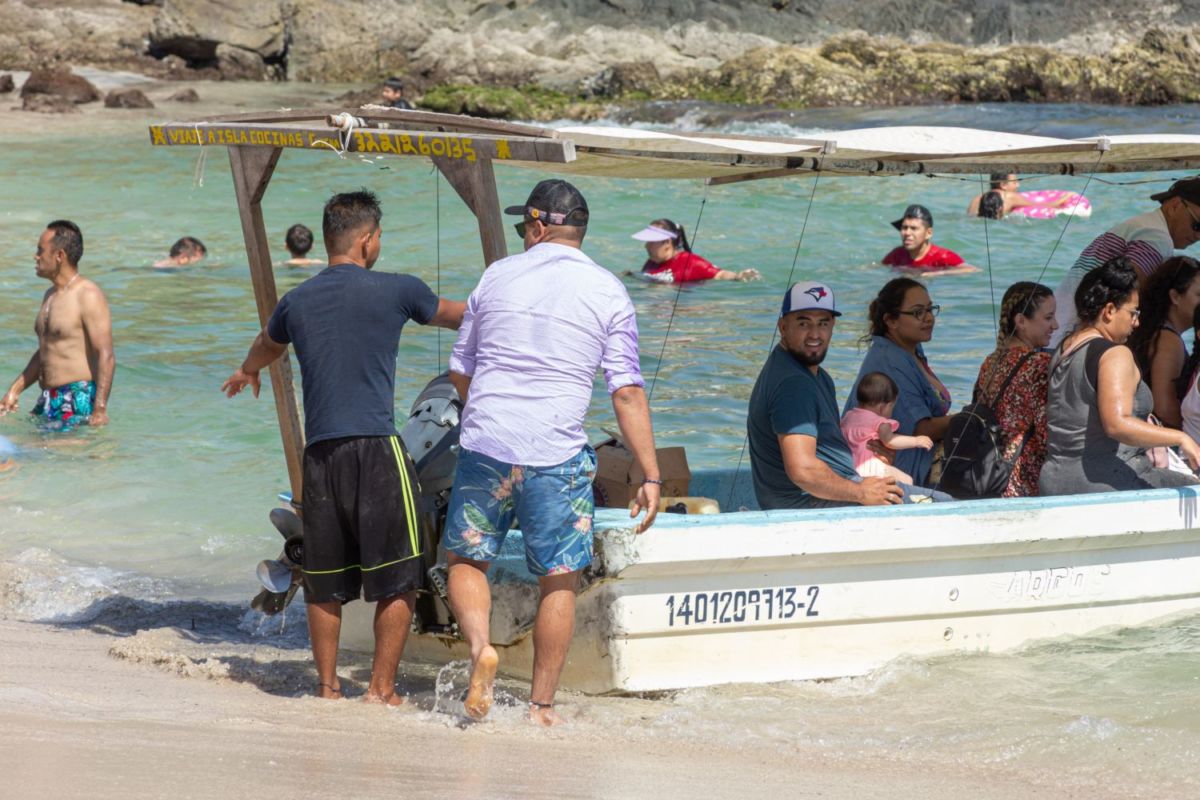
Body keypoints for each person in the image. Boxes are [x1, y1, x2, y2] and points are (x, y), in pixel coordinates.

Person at [221, 190, 465, 705]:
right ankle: (380, 690)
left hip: (321, 456)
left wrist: (247, 370)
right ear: (368, 239)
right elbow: (455, 315)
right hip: (377, 448)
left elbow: (268, 343)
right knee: (400, 576)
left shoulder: (297, 301)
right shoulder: (399, 290)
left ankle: (327, 689)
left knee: (325, 580)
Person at [443, 179, 660, 726]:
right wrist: (650, 474)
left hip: (487, 442)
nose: (523, 236)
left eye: (524, 228)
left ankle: (479, 651)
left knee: (467, 560)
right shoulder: (609, 289)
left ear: (539, 226)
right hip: (555, 453)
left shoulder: (496, 276)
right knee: (558, 579)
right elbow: (626, 390)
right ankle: (540, 707)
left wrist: (485, 414)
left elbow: (460, 370)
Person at [747, 281, 948, 510]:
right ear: (783, 327)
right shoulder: (793, 384)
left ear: (833, 325)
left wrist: (872, 457)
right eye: (804, 323)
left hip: (835, 490)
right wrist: (861, 492)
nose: (815, 334)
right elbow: (803, 470)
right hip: (808, 505)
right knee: (947, 506)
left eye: (823, 323)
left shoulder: (817, 376)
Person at [1040, 257, 1200, 496]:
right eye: (1133, 312)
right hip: (1104, 480)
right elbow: (1117, 424)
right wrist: (1182, 439)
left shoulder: (1064, 349)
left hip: (1053, 479)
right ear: (1109, 311)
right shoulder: (1115, 354)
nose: (1137, 322)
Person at [1052, 177, 1200, 345]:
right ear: (1175, 206)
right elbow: (1127, 292)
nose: (1198, 236)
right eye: (1197, 225)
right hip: (1080, 334)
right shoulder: (1157, 238)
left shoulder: (1139, 225)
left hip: (1060, 327)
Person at [1, 220, 115, 430]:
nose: (36, 256)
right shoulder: (50, 295)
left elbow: (105, 354)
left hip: (75, 398)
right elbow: (46, 351)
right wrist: (14, 391)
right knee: (24, 454)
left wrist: (99, 409)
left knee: (21, 454)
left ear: (59, 256)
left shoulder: (88, 294)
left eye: (40, 250)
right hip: (47, 399)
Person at [845, 277, 953, 486]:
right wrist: (970, 416)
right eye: (917, 312)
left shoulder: (912, 350)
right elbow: (921, 429)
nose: (928, 318)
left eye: (930, 309)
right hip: (893, 468)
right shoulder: (891, 362)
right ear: (891, 321)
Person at [971, 281, 1058, 497]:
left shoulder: (990, 361)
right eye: (1048, 317)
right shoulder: (1039, 364)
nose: (1056, 325)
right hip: (1022, 480)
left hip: (988, 474)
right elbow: (1048, 433)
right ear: (1021, 321)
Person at [1127, 257, 1200, 429]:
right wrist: (1190, 435)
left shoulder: (1155, 331)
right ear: (1175, 296)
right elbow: (1164, 408)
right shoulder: (1169, 341)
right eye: (1199, 295)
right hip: (1163, 440)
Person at [840, 372, 934, 485]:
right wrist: (916, 441)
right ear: (882, 407)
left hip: (849, 467)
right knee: (907, 481)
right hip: (872, 467)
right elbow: (890, 441)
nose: (892, 412)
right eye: (892, 408)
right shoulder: (879, 422)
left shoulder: (848, 417)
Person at [631, 219, 761, 283]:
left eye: (651, 242)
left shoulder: (690, 262)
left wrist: (737, 277)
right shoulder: (651, 262)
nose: (646, 246)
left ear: (667, 243)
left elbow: (719, 274)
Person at [881, 204, 978, 277]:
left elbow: (972, 270)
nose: (907, 233)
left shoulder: (942, 256)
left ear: (928, 233)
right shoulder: (897, 254)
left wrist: (939, 273)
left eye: (913, 228)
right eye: (904, 228)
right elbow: (879, 268)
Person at [967, 173, 1080, 219]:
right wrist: (1067, 196)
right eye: (1015, 182)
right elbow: (1048, 205)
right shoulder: (1009, 196)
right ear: (1003, 185)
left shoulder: (977, 198)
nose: (1018, 185)